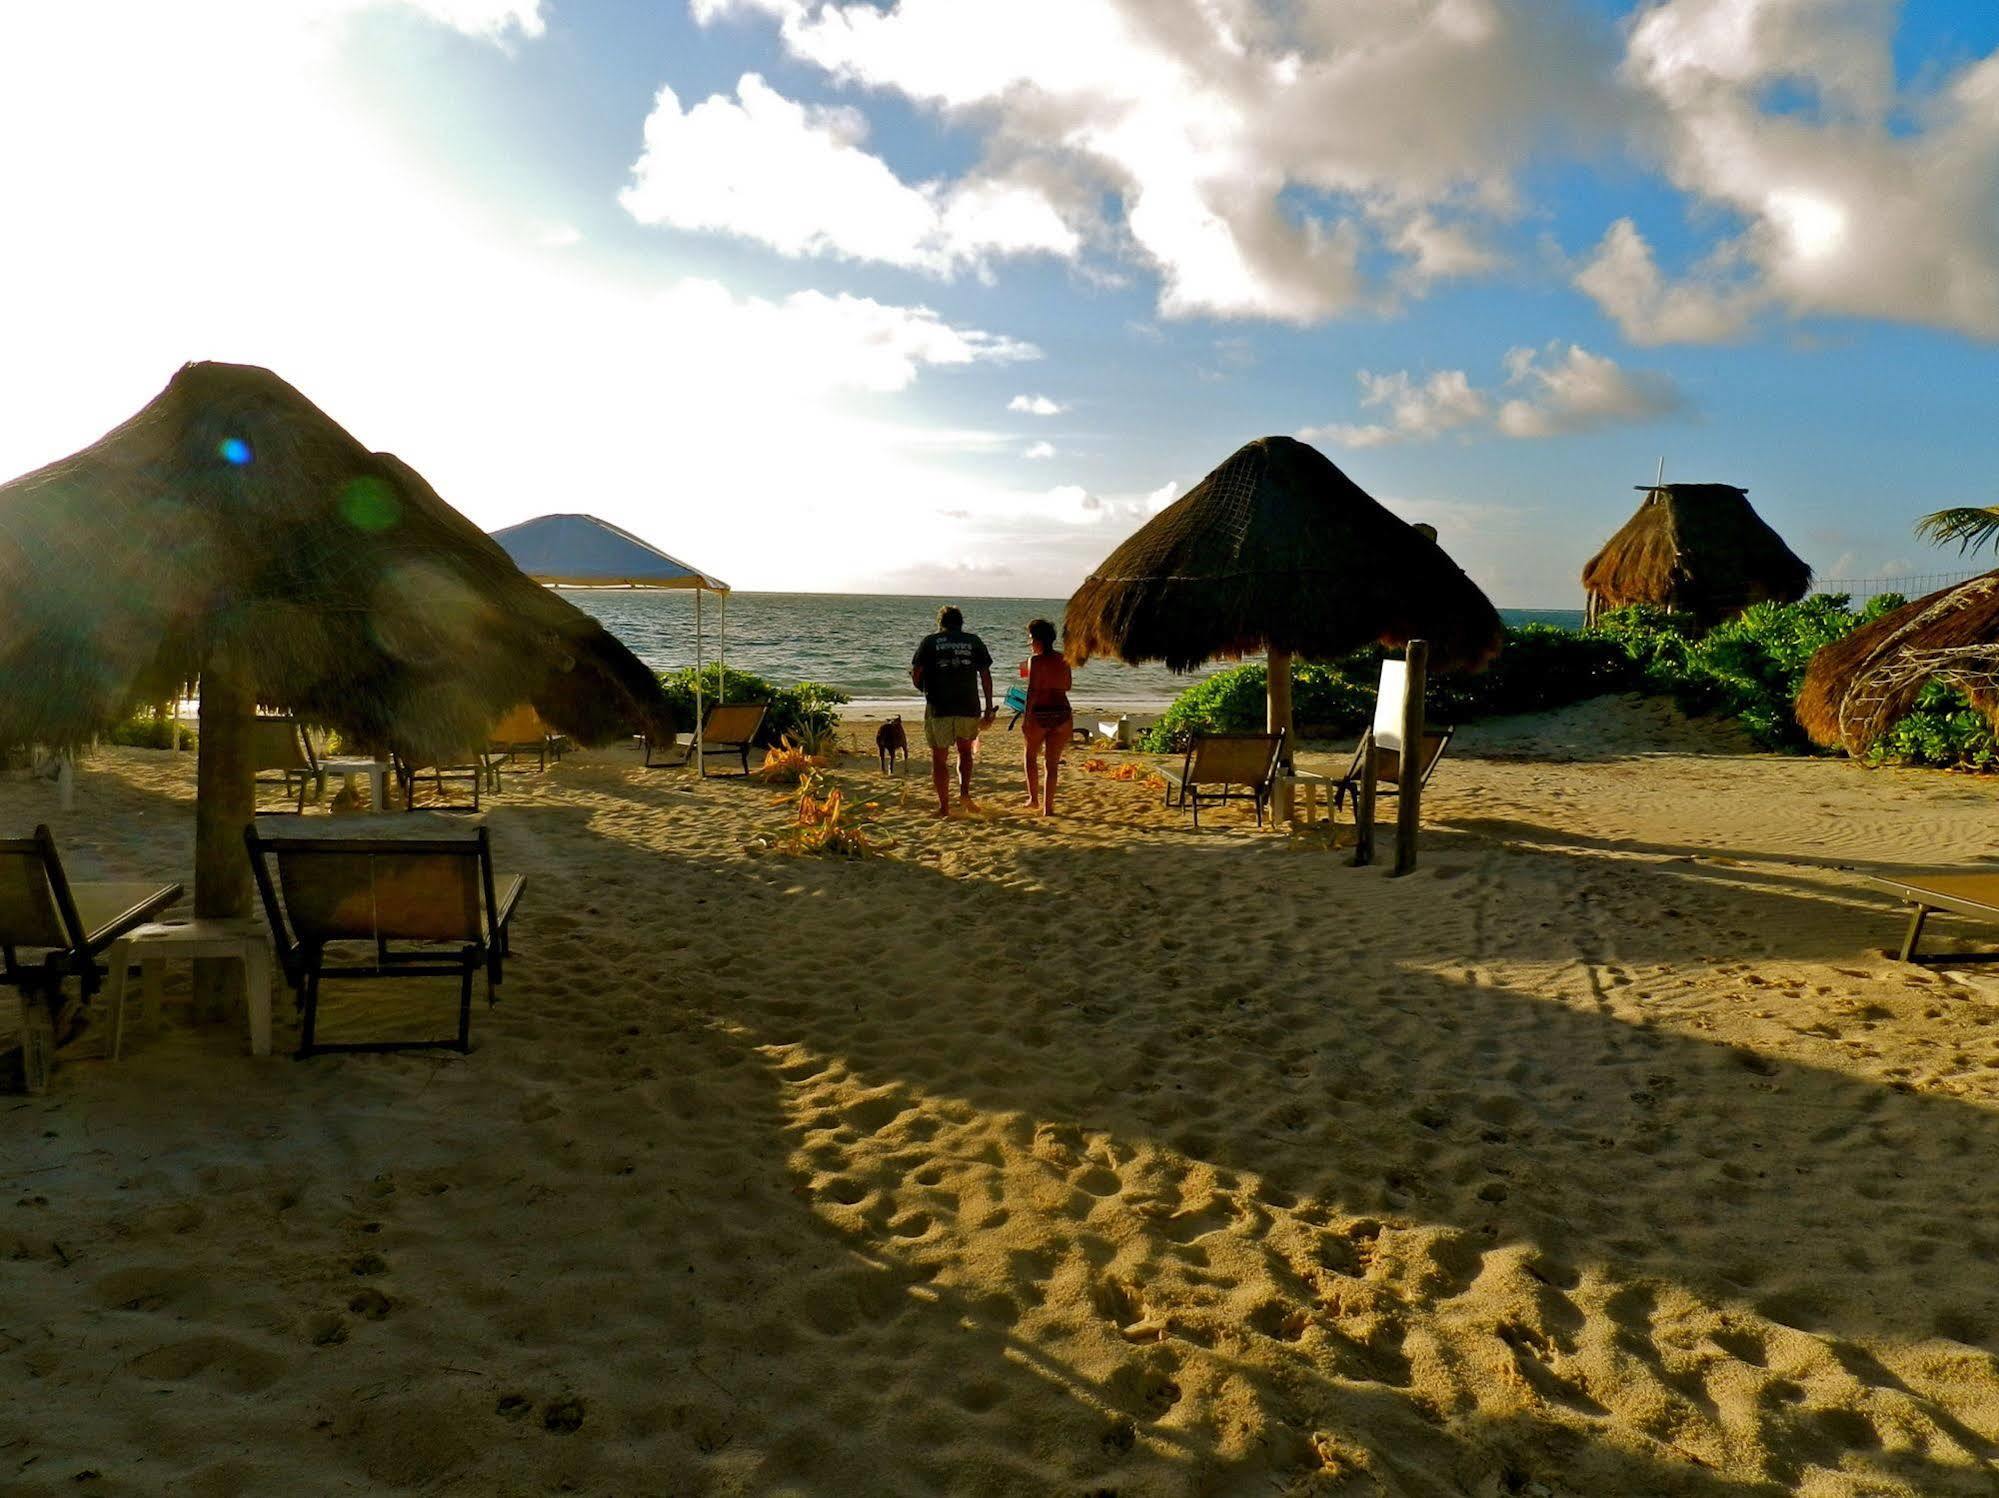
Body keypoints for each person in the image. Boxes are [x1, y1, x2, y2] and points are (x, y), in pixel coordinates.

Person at [910, 604, 994, 816]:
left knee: (939, 757)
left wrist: (922, 688)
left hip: (940, 706)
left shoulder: (930, 642)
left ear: (940, 623)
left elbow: (917, 674)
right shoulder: (973, 641)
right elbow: (985, 676)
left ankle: (944, 807)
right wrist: (988, 706)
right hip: (968, 705)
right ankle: (964, 795)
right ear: (961, 623)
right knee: (965, 752)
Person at [1019, 617, 1073, 816]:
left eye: (1031, 639)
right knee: (1051, 764)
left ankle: (1033, 799)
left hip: (1040, 713)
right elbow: (1067, 686)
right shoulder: (1065, 659)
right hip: (1062, 713)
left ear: (1038, 641)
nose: (1030, 643)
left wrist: (1026, 719)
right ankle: (1048, 809)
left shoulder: (1035, 661)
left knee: (1030, 756)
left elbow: (1032, 691)